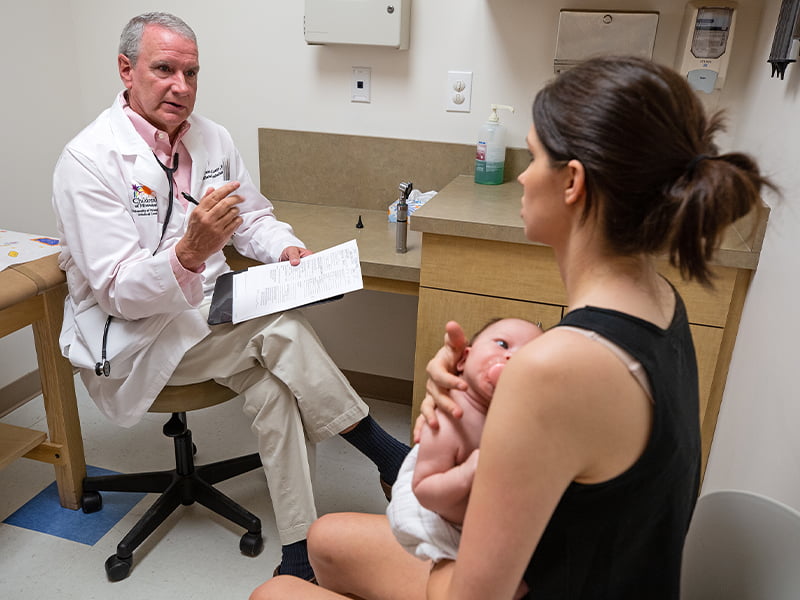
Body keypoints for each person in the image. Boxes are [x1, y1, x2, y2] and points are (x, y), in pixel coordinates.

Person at [250, 55, 773, 599]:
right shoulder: (660, 302)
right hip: (599, 569)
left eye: (535, 156)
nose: (522, 174)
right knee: (326, 538)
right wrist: (474, 411)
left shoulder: (558, 366)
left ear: (572, 181)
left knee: (273, 595)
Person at [51, 12, 409, 581]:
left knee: (274, 390)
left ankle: (299, 554)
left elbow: (254, 219)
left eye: (191, 72)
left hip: (214, 317)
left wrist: (287, 251)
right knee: (280, 330)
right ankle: (386, 454)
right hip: (140, 336)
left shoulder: (211, 137)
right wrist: (187, 255)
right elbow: (118, 292)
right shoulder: (89, 161)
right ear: (126, 70)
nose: (182, 87)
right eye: (164, 69)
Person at [387, 317, 541, 600]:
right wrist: (468, 471)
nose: (510, 357)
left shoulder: (517, 413)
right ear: (462, 359)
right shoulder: (448, 418)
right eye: (503, 344)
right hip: (448, 523)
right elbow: (424, 490)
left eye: (525, 357)